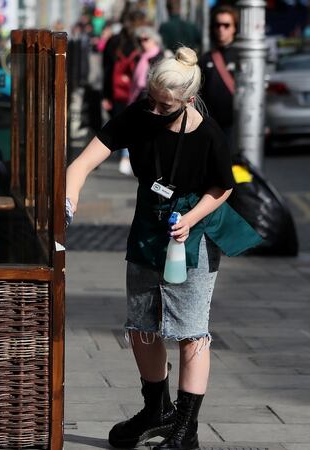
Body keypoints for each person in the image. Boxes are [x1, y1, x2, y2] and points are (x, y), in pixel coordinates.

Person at [66, 47, 262, 449]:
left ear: (188, 100)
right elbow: (81, 165)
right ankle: (156, 409)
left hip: (193, 231)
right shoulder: (139, 115)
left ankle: (185, 429)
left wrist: (191, 219)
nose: (153, 110)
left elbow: (222, 187)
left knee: (191, 332)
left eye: (164, 105)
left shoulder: (208, 135)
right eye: (151, 99)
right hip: (148, 227)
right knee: (141, 326)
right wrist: (68, 203)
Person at [102, 9, 147, 176]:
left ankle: (125, 156)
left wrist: (105, 95)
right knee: (137, 124)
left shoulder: (113, 41)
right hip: (138, 90)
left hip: (117, 91)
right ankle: (128, 157)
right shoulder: (142, 41)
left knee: (122, 123)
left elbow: (106, 69)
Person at [199, 5, 239, 152]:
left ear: (234, 28)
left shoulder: (242, 57)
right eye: (217, 25)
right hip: (211, 125)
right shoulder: (205, 59)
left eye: (226, 25)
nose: (221, 29)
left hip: (235, 125)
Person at [128, 26, 166, 105]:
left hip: (151, 97)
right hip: (138, 94)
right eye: (139, 40)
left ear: (154, 39)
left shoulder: (159, 57)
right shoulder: (140, 56)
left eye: (145, 39)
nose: (142, 43)